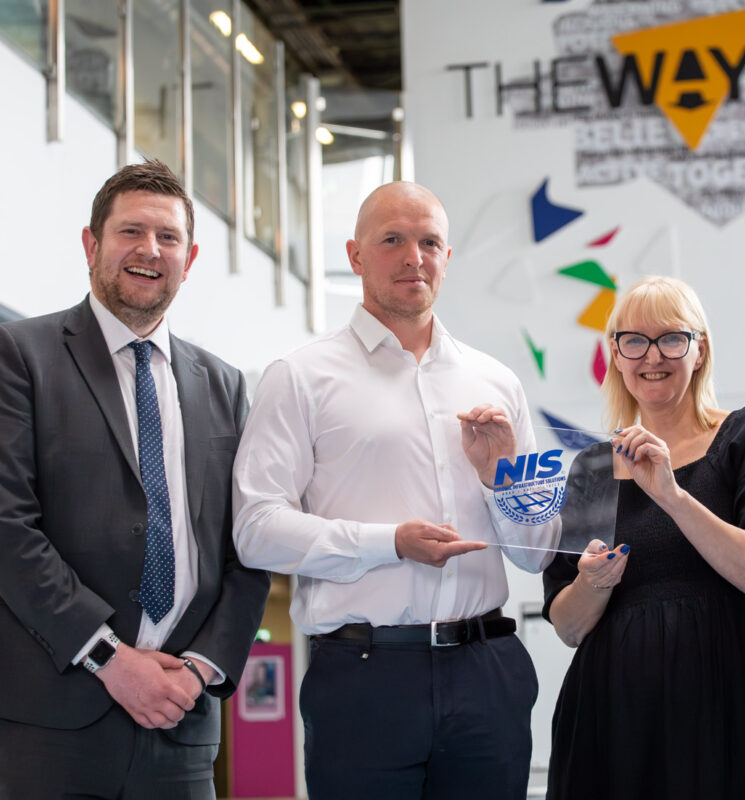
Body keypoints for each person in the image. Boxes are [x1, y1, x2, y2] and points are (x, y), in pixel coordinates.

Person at [0, 160, 271, 799]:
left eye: (168, 237)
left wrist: (200, 670)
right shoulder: (18, 354)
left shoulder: (224, 385)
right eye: (130, 232)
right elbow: (1, 525)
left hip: (181, 714)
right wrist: (109, 658)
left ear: (190, 258)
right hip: (52, 709)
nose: (150, 250)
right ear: (92, 244)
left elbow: (247, 542)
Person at [231, 181, 560, 800]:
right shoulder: (300, 378)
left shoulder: (497, 381)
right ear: (355, 256)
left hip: (487, 672)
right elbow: (255, 529)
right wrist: (391, 544)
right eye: (393, 240)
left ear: (447, 257)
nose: (414, 257)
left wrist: (500, 482)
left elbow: (537, 552)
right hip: (363, 678)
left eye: (429, 242)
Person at [541, 275, 745, 799]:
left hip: (724, 700)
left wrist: (672, 495)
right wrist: (593, 584)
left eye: (672, 338)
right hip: (612, 709)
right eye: (633, 341)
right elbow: (569, 628)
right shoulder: (593, 469)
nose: (652, 356)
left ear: (699, 348)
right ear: (615, 355)